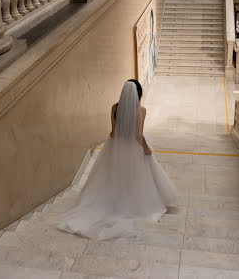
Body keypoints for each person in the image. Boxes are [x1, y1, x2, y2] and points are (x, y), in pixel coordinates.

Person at [56, 80, 179, 240]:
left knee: (113, 176)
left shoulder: (115, 107)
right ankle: (134, 202)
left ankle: (114, 200)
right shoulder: (141, 110)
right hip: (133, 149)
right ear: (138, 95)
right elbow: (138, 136)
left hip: (116, 147)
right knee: (136, 177)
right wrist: (146, 148)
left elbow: (113, 134)